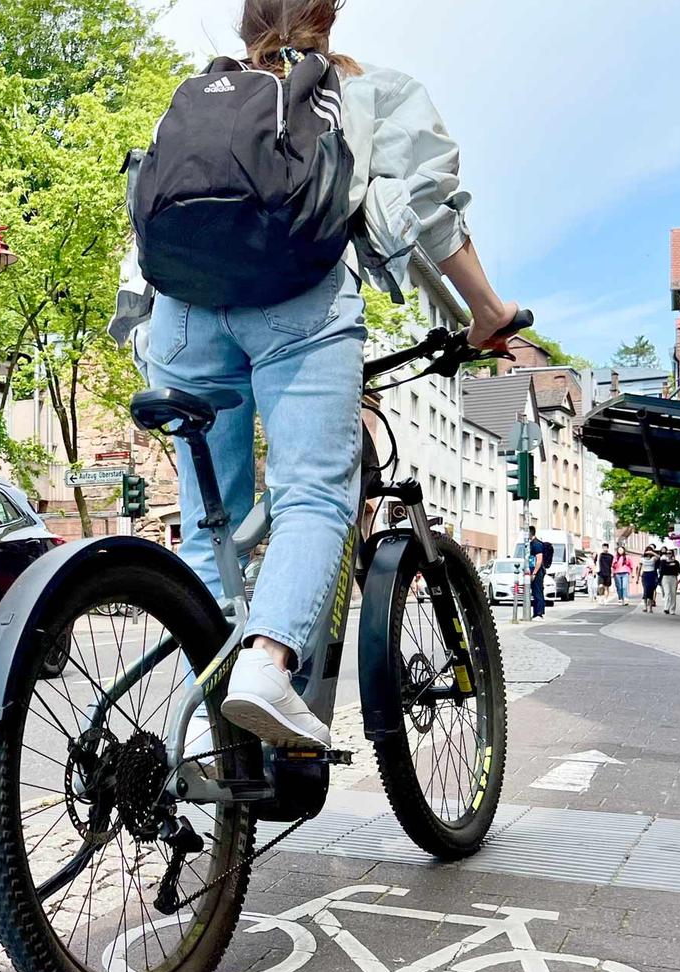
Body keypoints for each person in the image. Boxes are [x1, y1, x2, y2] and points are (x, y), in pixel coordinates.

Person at [111, 0, 520, 747]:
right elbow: (424, 212)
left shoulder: (205, 95)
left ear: (244, 27)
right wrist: (484, 311)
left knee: (213, 528)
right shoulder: (365, 91)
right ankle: (267, 668)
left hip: (179, 315)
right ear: (328, 19)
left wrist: (140, 332)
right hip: (297, 306)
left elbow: (145, 213)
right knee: (311, 497)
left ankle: (208, 736)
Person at [526, 526, 552, 620]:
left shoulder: (536, 544)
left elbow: (539, 559)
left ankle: (539, 613)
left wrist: (534, 573)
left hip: (537, 572)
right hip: (534, 571)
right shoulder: (532, 543)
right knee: (535, 592)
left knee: (538, 592)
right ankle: (535, 613)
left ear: (530, 533)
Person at [658, 546, 680, 614]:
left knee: (673, 593)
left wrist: (676, 575)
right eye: (667, 553)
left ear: (672, 554)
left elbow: (678, 570)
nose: (668, 554)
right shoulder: (663, 562)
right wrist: (659, 580)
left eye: (670, 553)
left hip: (673, 577)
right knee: (667, 592)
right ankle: (666, 607)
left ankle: (672, 609)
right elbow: (661, 571)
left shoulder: (676, 562)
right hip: (665, 578)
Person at [639, 546, 661, 613]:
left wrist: (652, 553)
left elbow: (658, 557)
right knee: (645, 590)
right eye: (647, 550)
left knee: (651, 590)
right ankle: (645, 606)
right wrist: (637, 577)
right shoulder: (642, 559)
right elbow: (639, 567)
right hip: (645, 575)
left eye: (650, 550)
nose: (648, 552)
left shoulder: (653, 558)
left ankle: (650, 607)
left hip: (652, 574)